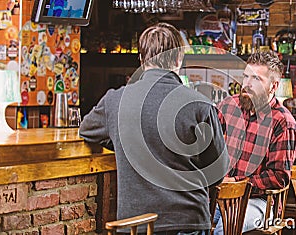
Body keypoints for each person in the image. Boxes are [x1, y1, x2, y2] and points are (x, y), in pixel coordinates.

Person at [79, 23, 229, 234]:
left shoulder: (114, 101)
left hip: (134, 225)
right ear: (179, 59)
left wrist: (123, 139)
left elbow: (85, 131)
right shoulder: (200, 105)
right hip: (188, 222)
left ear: (141, 60)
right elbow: (218, 172)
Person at [213, 50, 296, 234]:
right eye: (246, 77)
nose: (247, 85)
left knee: (227, 225)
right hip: (218, 195)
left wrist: (237, 184)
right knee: (183, 217)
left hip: (260, 202)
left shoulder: (283, 124)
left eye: (256, 79)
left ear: (273, 86)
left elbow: (279, 177)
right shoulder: (229, 106)